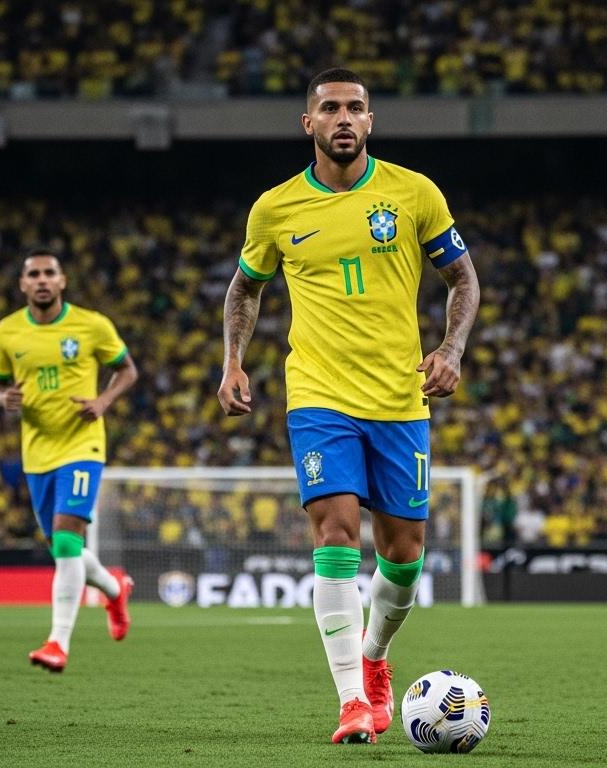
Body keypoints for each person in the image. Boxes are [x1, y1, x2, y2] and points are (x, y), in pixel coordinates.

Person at [217, 67, 480, 744]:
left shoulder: (414, 192)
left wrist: (451, 348)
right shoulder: (275, 207)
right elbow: (245, 288)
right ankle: (352, 701)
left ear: (370, 121)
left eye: (354, 108)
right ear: (309, 123)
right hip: (319, 396)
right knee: (335, 534)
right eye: (330, 108)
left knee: (404, 558)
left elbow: (462, 278)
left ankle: (374, 655)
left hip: (400, 397)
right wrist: (233, 361)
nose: (343, 118)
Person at [0, 249, 139, 673]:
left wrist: (103, 401)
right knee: (63, 549)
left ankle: (58, 642)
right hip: (37, 452)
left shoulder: (91, 325)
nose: (41, 280)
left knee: (68, 542)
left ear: (62, 280)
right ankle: (115, 589)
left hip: (82, 445)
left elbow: (127, 370)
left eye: (49, 273)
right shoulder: (6, 332)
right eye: (33, 274)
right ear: (23, 284)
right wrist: (2, 398)